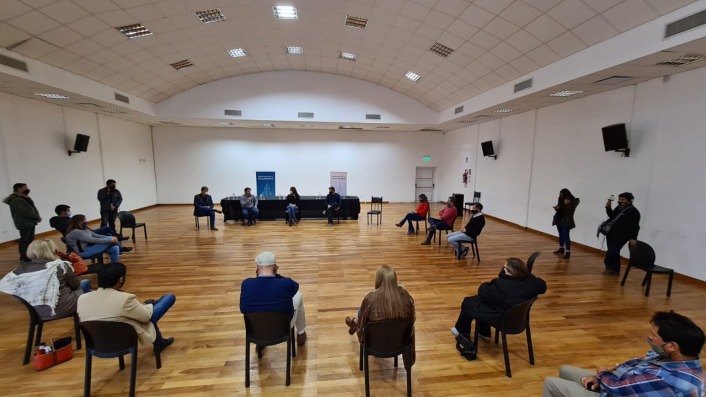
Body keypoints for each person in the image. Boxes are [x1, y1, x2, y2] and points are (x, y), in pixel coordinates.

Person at [542, 311, 705, 397]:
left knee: (551, 383)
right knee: (565, 370)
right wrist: (601, 378)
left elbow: (616, 387)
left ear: (671, 346)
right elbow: (632, 364)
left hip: (615, 390)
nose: (649, 337)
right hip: (620, 385)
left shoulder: (669, 379)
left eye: (653, 335)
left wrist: (603, 373)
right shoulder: (670, 358)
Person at [452, 258, 546, 350]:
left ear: (508, 272)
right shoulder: (532, 282)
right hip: (519, 319)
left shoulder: (501, 285)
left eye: (503, 268)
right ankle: (484, 332)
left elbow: (483, 292)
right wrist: (528, 276)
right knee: (479, 301)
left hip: (502, 319)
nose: (502, 269)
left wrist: (485, 284)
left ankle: (463, 335)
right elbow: (543, 286)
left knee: (468, 302)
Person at [78, 262, 175, 351]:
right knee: (168, 298)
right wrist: (147, 306)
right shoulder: (125, 299)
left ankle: (159, 341)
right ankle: (159, 341)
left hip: (97, 342)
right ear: (121, 279)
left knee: (142, 309)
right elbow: (146, 317)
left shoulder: (82, 299)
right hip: (123, 340)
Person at [345, 265, 416, 367]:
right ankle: (353, 323)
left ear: (378, 280)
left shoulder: (370, 298)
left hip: (374, 344)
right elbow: (412, 321)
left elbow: (361, 327)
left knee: (361, 311)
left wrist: (358, 327)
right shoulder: (406, 297)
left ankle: (353, 324)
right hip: (399, 343)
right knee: (363, 311)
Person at [0, 239, 91, 318]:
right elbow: (76, 285)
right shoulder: (60, 265)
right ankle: (91, 317)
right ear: (52, 250)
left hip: (37, 311)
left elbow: (4, 285)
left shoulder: (19, 271)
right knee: (86, 284)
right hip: (63, 308)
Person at [240, 252, 308, 356]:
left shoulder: (246, 284)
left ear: (257, 267)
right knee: (298, 295)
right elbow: (295, 286)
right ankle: (301, 333)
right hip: (283, 328)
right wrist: (277, 275)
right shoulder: (286, 284)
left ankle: (260, 342)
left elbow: (243, 308)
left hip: (255, 329)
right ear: (275, 267)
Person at [65, 214, 130, 263]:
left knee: (115, 248)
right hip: (83, 252)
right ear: (79, 222)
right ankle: (121, 249)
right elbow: (92, 240)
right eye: (85, 220)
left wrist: (110, 238)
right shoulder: (76, 232)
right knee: (110, 240)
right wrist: (110, 239)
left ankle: (115, 266)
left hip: (89, 249)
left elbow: (96, 235)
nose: (86, 221)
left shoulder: (83, 229)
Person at [602, 192, 640, 275]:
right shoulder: (619, 208)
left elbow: (635, 226)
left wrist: (633, 238)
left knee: (612, 251)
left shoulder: (634, 211)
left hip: (622, 236)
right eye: (619, 199)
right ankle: (615, 270)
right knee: (615, 252)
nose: (620, 201)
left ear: (630, 201)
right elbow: (612, 216)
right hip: (611, 233)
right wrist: (608, 207)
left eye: (623, 199)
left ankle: (609, 265)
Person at [3, 183, 41, 262]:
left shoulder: (24, 198)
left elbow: (32, 208)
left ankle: (29, 254)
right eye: (25, 188)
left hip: (30, 221)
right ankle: (24, 256)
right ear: (19, 189)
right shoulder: (15, 200)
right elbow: (24, 211)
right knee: (24, 240)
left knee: (30, 239)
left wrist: (35, 217)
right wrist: (36, 217)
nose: (27, 189)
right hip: (24, 222)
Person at [50, 204, 129, 240]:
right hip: (83, 235)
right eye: (68, 211)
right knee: (106, 230)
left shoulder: (68, 219)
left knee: (106, 229)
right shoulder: (60, 222)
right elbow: (75, 229)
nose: (69, 212)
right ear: (62, 212)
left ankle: (117, 238)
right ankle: (117, 239)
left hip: (86, 231)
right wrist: (83, 224)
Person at [552, 189, 580, 260]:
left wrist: (566, 204)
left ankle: (568, 252)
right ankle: (561, 249)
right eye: (560, 194)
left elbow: (571, 210)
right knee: (561, 235)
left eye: (562, 194)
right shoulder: (561, 199)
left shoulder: (573, 201)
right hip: (559, 219)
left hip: (566, 221)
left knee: (566, 236)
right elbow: (560, 208)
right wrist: (557, 208)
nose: (561, 196)